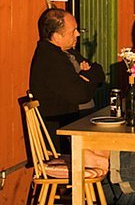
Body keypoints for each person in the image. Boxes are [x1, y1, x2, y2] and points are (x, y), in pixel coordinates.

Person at [29, 8, 105, 152]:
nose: (77, 34)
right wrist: (87, 76)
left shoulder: (68, 52)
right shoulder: (51, 60)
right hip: (66, 136)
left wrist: (85, 77)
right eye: (73, 31)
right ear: (56, 37)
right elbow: (81, 95)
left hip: (82, 126)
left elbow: (99, 73)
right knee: (116, 152)